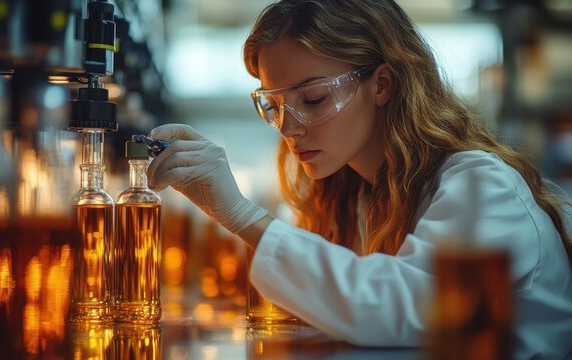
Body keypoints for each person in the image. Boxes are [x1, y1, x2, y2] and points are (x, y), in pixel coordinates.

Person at [146, 0, 572, 358]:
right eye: (275, 106)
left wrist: (239, 213)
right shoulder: (357, 193)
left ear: (382, 84)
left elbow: (398, 308)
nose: (289, 128)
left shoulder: (483, 185)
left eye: (313, 99)